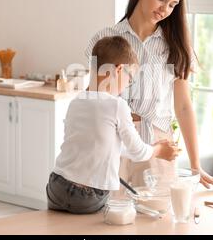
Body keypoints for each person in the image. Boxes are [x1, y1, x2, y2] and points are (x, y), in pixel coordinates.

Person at [85, 0, 213, 192]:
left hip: (158, 146)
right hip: (112, 143)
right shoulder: (105, 39)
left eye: (172, 4)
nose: (165, 9)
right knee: (111, 221)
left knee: (157, 222)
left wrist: (195, 165)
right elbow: (94, 99)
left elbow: (183, 106)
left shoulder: (175, 46)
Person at [46, 36, 180, 214]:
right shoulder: (117, 105)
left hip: (56, 187)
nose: (126, 86)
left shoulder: (76, 101)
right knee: (125, 215)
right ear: (118, 70)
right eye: (129, 78)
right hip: (88, 196)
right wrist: (158, 150)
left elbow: (100, 145)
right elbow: (139, 152)